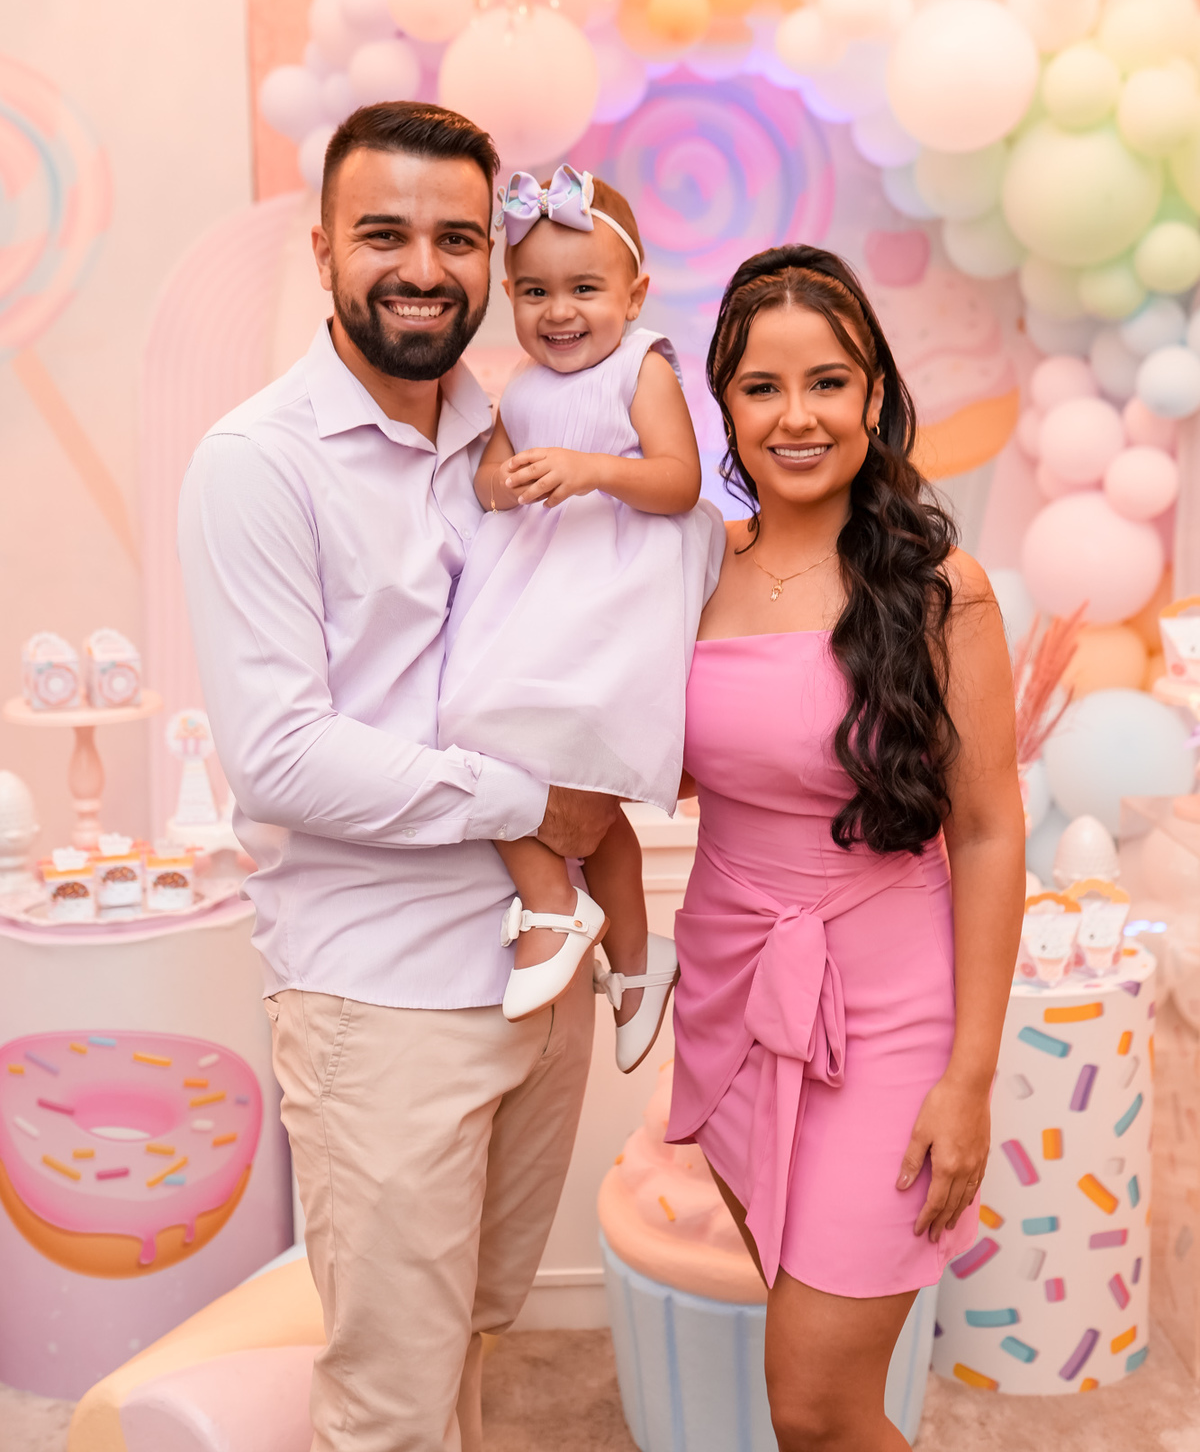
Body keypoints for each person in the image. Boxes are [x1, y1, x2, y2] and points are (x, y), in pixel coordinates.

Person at [177, 101, 618, 1452]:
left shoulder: (509, 431)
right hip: (381, 998)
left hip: (537, 971)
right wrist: (532, 804)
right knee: (388, 1404)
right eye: (383, 234)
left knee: (465, 1339)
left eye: (457, 238)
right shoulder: (258, 464)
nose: (423, 268)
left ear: (492, 255)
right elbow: (280, 754)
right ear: (323, 251)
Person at [667, 246, 1025, 1452]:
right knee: (809, 1374)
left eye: (828, 381)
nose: (798, 416)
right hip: (735, 1000)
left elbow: (988, 831)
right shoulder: (687, 572)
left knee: (817, 1408)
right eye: (762, 387)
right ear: (724, 404)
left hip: (890, 1015)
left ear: (875, 394)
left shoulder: (941, 592)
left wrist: (969, 1078)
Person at [437, 163, 722, 1069]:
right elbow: (490, 475)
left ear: (634, 295)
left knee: (555, 764)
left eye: (585, 290)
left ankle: (556, 910)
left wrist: (592, 469)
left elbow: (679, 481)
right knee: (490, 744)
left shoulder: (642, 367)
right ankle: (633, 953)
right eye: (534, 292)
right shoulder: (519, 385)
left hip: (609, 600)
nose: (558, 312)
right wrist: (503, 479)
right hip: (537, 595)